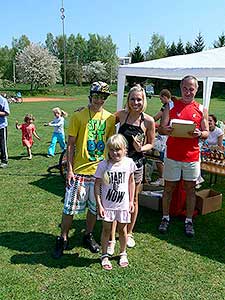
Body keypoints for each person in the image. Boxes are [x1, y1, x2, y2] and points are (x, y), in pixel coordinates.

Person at [53, 81, 116, 259]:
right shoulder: (78, 116)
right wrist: (69, 170)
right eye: (96, 96)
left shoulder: (110, 118)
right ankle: (63, 238)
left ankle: (87, 235)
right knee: (69, 208)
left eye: (102, 97)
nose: (99, 100)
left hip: (100, 172)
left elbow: (111, 145)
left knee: (94, 208)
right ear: (90, 96)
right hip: (79, 171)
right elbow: (71, 146)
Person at [158, 75, 209, 237]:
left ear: (196, 89)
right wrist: (166, 130)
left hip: (192, 157)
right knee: (168, 188)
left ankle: (188, 220)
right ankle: (165, 217)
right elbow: (161, 128)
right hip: (172, 155)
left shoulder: (201, 109)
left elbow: (206, 132)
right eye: (185, 88)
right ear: (180, 88)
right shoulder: (171, 105)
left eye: (191, 89)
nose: (188, 92)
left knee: (190, 189)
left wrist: (200, 133)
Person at [110, 84, 155, 249]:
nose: (136, 102)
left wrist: (140, 148)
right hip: (118, 165)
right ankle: (112, 234)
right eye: (133, 99)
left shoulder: (148, 121)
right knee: (116, 197)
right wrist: (86, 109)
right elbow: (102, 120)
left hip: (136, 165)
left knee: (133, 199)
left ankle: (128, 233)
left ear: (143, 101)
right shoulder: (122, 115)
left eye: (139, 99)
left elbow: (151, 143)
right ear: (128, 100)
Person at [94, 134, 136, 270]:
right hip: (107, 206)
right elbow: (97, 185)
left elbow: (131, 182)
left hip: (123, 205)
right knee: (106, 230)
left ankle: (123, 253)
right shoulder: (103, 165)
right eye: (111, 150)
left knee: (123, 230)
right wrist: (99, 204)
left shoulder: (129, 163)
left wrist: (131, 201)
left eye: (118, 149)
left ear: (125, 150)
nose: (115, 153)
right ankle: (104, 255)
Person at [151, 89, 174, 186]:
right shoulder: (174, 104)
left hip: (164, 135)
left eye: (161, 99)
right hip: (170, 134)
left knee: (158, 156)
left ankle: (162, 178)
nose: (161, 101)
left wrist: (146, 121)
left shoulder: (166, 106)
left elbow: (156, 117)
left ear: (165, 97)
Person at [0, 94, 10, 168]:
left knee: (2, 144)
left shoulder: (3, 100)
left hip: (1, 126)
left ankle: (4, 161)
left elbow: (7, 113)